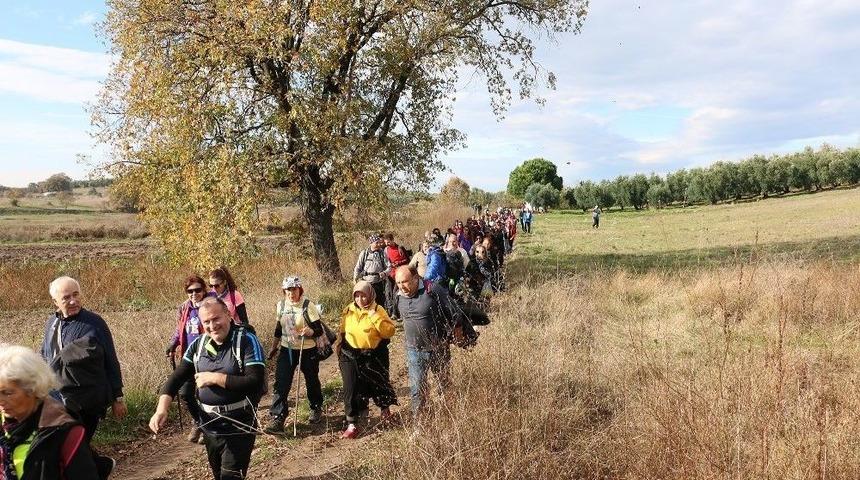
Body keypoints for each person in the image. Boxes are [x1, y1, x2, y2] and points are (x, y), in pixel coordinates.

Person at [149, 297, 266, 480]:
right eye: (207, 322)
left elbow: (255, 381)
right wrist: (161, 409)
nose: (212, 325)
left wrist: (215, 378)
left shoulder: (246, 340)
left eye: (216, 318)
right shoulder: (199, 344)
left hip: (239, 423)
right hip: (209, 423)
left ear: (228, 315)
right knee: (218, 474)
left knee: (231, 476)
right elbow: (177, 377)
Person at [40, 276, 125, 479]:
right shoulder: (52, 324)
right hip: (58, 399)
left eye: (76, 295)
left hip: (89, 401)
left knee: (75, 447)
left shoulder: (94, 324)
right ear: (55, 302)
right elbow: (44, 355)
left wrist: (117, 398)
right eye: (66, 297)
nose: (73, 301)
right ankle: (101, 467)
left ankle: (99, 468)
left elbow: (111, 360)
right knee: (70, 448)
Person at [0, 345, 99, 480]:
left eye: (7, 393)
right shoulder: (3, 425)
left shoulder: (64, 432)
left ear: (32, 389)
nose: (1, 400)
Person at [394, 266, 461, 421]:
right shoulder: (397, 294)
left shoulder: (433, 289)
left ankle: (449, 418)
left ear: (416, 278)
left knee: (443, 384)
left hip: (438, 347)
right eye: (398, 283)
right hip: (414, 350)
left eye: (405, 282)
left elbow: (454, 310)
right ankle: (421, 423)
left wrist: (457, 329)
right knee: (417, 389)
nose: (402, 286)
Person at [336, 281, 397, 439]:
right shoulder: (348, 310)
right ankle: (352, 423)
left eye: (363, 295)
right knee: (350, 388)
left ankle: (385, 410)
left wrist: (373, 316)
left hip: (374, 354)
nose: (360, 299)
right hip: (350, 354)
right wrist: (339, 346)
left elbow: (389, 331)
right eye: (357, 295)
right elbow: (342, 330)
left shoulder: (378, 309)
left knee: (379, 383)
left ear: (370, 295)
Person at [264, 276, 324, 433]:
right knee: (281, 383)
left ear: (300, 289)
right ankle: (277, 418)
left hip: (307, 349)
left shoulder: (307, 305)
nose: (291, 293)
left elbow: (319, 330)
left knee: (311, 380)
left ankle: (316, 407)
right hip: (287, 349)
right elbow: (279, 328)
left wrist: (311, 331)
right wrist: (273, 347)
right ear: (284, 291)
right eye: (288, 290)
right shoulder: (281, 305)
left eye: (294, 289)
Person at [165, 275, 207, 443]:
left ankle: (207, 424)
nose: (194, 293)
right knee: (185, 393)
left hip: (207, 356)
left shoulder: (211, 305)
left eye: (197, 290)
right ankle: (199, 421)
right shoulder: (184, 308)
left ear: (204, 290)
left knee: (204, 393)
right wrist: (172, 344)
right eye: (190, 291)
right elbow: (180, 328)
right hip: (188, 356)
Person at [352, 234, 390, 307]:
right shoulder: (364, 253)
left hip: (379, 282)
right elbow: (358, 267)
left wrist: (385, 273)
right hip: (366, 282)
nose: (379, 244)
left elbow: (389, 266)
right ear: (371, 243)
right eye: (377, 242)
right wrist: (355, 278)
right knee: (367, 302)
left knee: (380, 303)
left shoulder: (382, 253)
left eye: (379, 242)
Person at [382, 233, 410, 318]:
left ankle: (396, 312)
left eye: (388, 242)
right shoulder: (386, 250)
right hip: (390, 275)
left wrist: (398, 263)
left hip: (400, 275)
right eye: (386, 243)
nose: (387, 244)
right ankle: (391, 312)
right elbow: (385, 262)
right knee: (389, 294)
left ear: (392, 240)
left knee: (396, 293)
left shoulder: (400, 248)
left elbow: (407, 260)